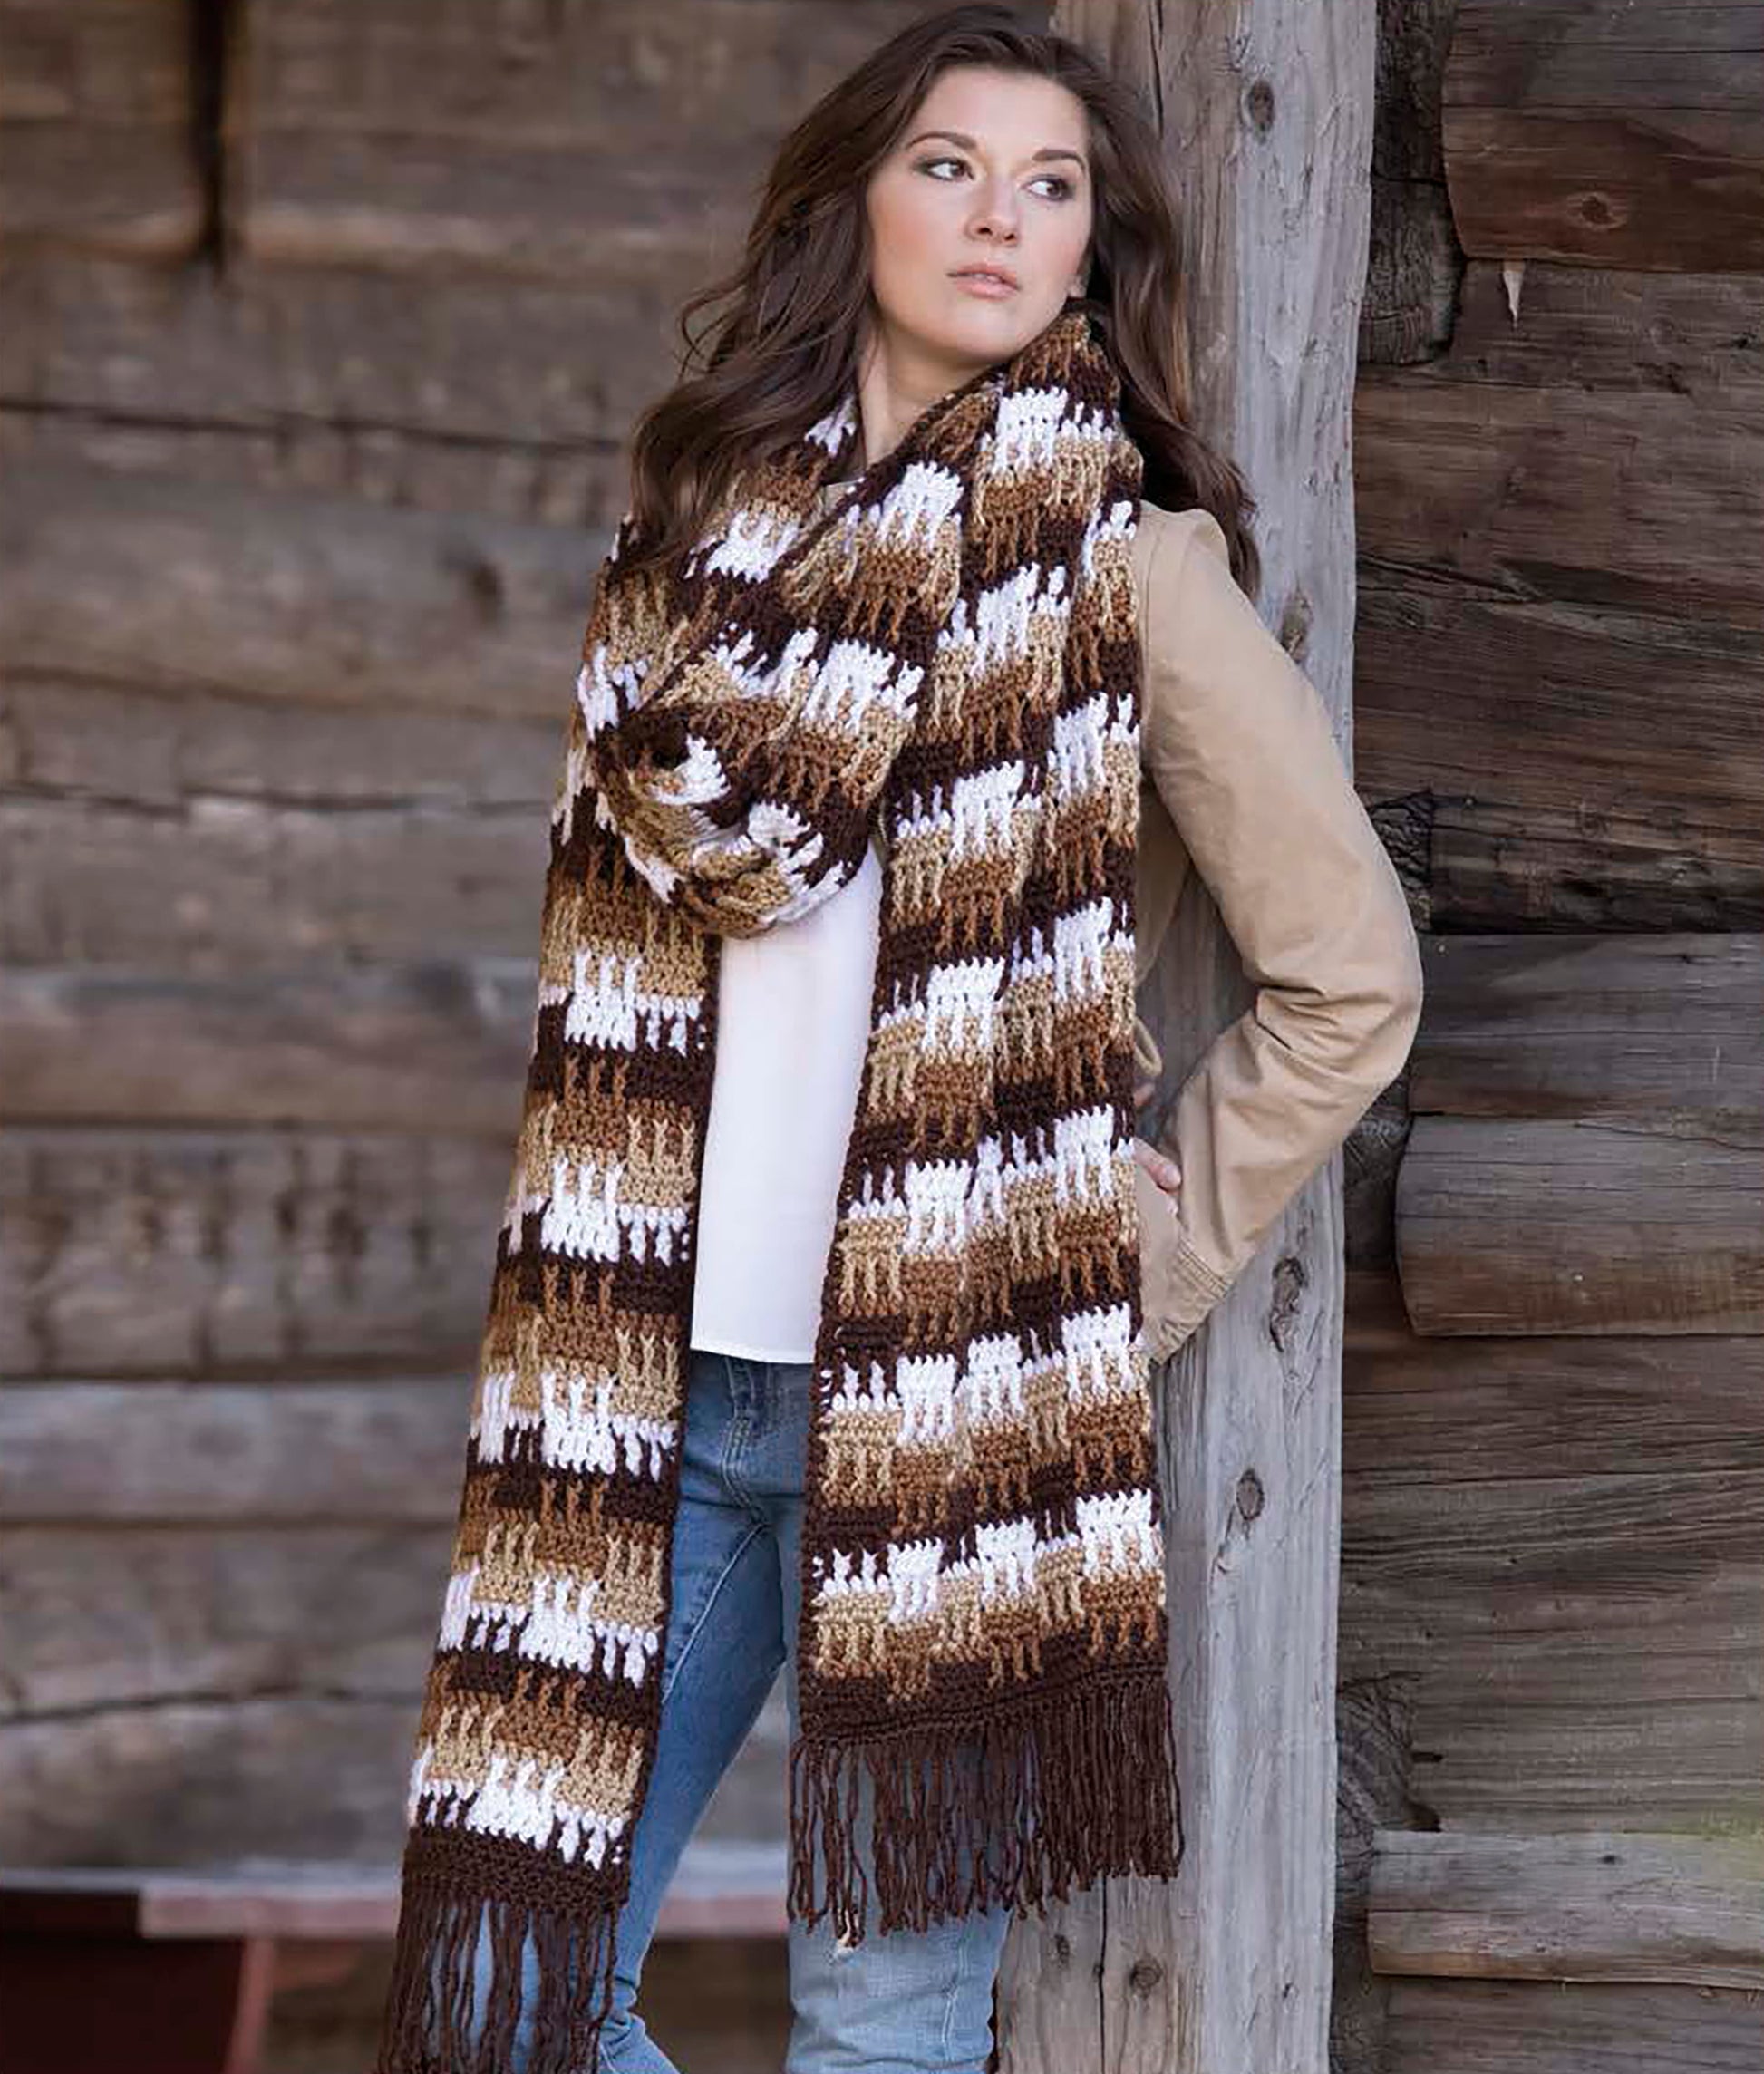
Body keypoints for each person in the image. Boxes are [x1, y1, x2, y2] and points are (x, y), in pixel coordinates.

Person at [378, 7, 1423, 2071]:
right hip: (657, 1391)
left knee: (881, 2036)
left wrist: (1140, 1256)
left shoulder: (1126, 571)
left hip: (946, 1397)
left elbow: (1348, 978)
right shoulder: (696, 569)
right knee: (507, 1997)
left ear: (1087, 249)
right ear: (852, 197)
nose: (999, 217)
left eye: (1052, 187)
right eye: (951, 164)